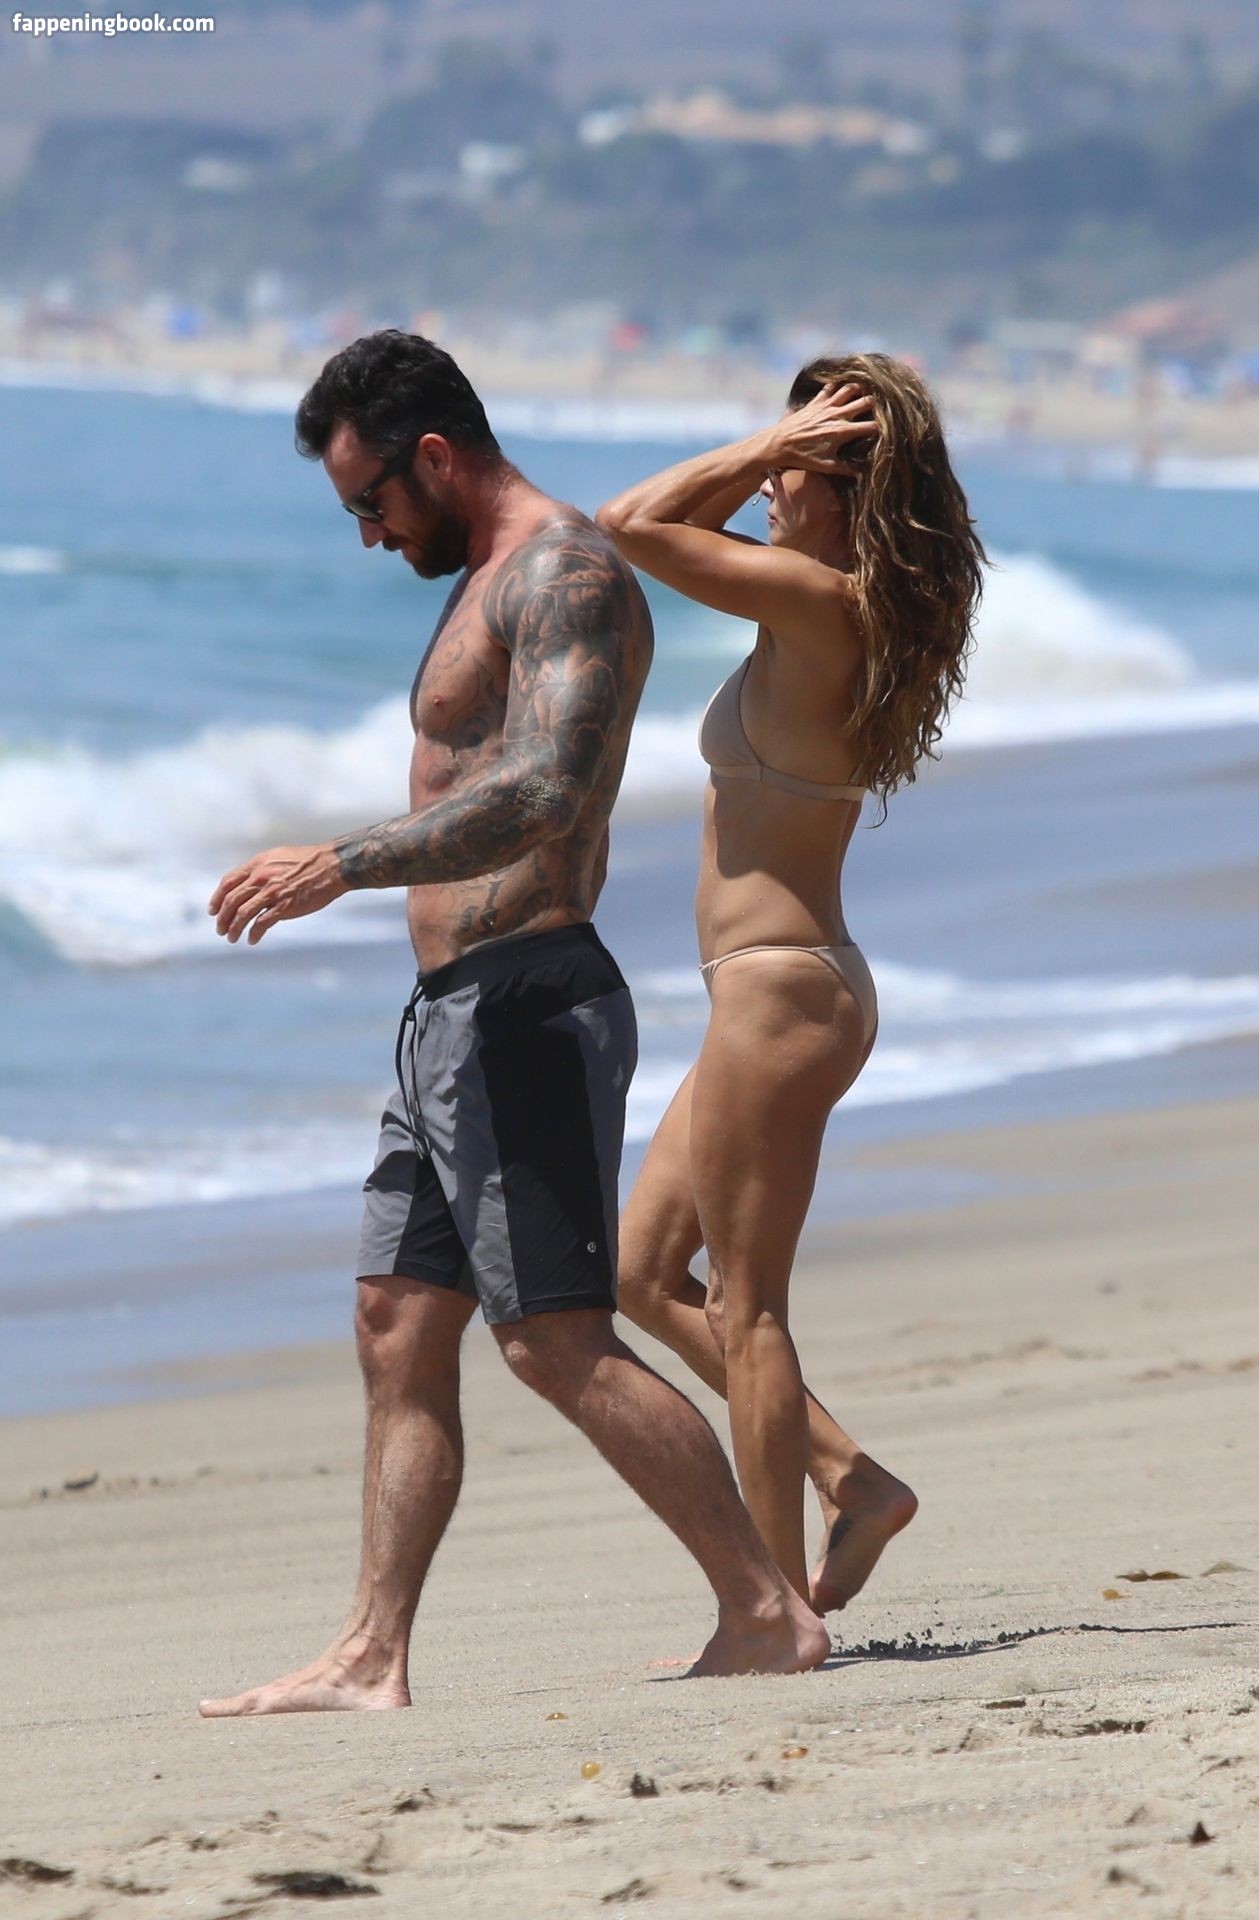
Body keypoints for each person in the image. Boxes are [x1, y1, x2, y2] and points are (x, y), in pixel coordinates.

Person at [199, 332, 830, 1714]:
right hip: (447, 1019)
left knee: (553, 1338)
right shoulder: (485, 581)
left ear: (434, 456)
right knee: (394, 1321)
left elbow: (545, 788)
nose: (369, 535)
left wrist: (339, 865)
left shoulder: (565, 574)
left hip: (528, 1006)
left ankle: (764, 1611)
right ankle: (372, 1653)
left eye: (373, 501)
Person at [597, 355, 986, 1614]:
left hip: (781, 996)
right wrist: (783, 447)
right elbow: (671, 535)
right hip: (777, 993)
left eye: (792, 470)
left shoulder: (821, 602)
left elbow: (630, 524)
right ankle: (851, 1483)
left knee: (749, 1309)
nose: (767, 485)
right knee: (640, 1274)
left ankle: (767, 1615)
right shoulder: (824, 603)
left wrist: (770, 439)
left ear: (848, 492)